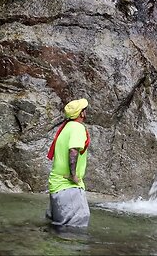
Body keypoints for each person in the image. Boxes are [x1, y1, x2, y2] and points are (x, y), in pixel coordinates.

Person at [45, 98, 91, 228]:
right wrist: (74, 175)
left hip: (58, 185)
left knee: (58, 228)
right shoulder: (77, 128)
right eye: (84, 110)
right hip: (68, 187)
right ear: (81, 113)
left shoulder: (66, 128)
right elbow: (73, 151)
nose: (86, 112)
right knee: (76, 228)